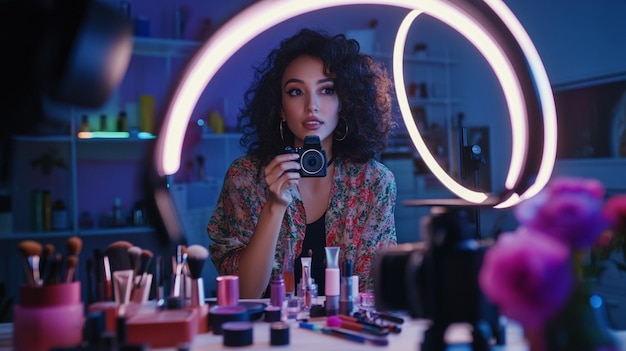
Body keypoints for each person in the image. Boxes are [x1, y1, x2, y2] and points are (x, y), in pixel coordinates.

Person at [207, 28, 397, 299]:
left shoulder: (374, 182)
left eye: (327, 90)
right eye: (296, 91)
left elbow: (373, 294)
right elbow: (246, 295)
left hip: (344, 335)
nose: (312, 106)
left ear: (345, 102)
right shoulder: (246, 177)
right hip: (269, 338)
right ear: (281, 108)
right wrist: (274, 207)